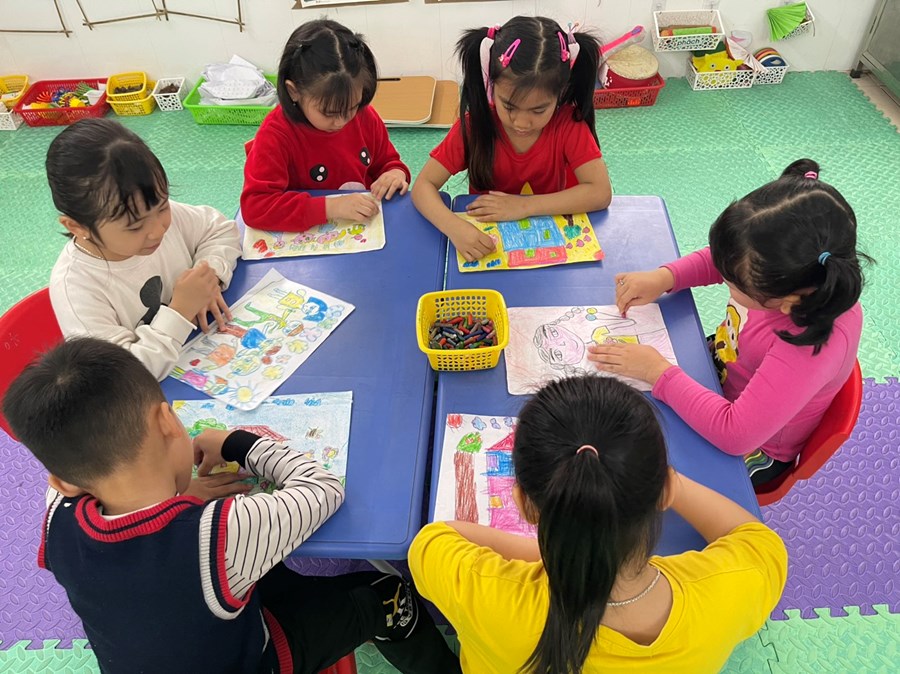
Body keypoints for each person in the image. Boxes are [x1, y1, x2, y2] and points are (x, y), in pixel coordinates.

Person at [3, 338, 461, 674]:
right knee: (388, 592)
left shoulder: (56, 516)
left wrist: (173, 494)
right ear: (167, 421)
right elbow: (324, 490)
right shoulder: (221, 534)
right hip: (255, 661)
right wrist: (236, 443)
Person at [409, 376, 787, 673]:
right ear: (665, 490)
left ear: (524, 504)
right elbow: (755, 538)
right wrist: (666, 482)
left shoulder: (487, 594)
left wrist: (553, 550)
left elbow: (434, 539)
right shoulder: (730, 589)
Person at [588, 159, 869, 485]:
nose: (724, 281)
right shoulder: (781, 272)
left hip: (754, 447)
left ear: (787, 300)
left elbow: (736, 434)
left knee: (633, 476)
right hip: (722, 369)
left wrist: (657, 372)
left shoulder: (809, 345)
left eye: (732, 285)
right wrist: (666, 277)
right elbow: (725, 260)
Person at [47, 118, 241, 382]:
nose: (157, 230)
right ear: (78, 227)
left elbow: (219, 229)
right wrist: (180, 311)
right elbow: (120, 378)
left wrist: (209, 276)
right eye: (135, 226)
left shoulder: (147, 213)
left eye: (162, 207)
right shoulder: (77, 287)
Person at [411, 16, 613, 262]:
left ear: (560, 93)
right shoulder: (475, 125)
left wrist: (524, 206)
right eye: (509, 106)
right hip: (488, 244)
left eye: (538, 110)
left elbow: (600, 193)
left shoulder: (569, 125)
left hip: (548, 241)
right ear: (491, 84)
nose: (521, 123)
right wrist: (454, 228)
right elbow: (423, 186)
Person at [241, 19, 410, 232]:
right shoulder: (276, 135)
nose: (342, 121)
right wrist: (330, 207)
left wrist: (395, 174)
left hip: (362, 228)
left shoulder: (364, 116)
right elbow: (256, 207)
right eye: (329, 112)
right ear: (294, 91)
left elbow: (387, 162)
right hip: (309, 238)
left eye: (352, 107)